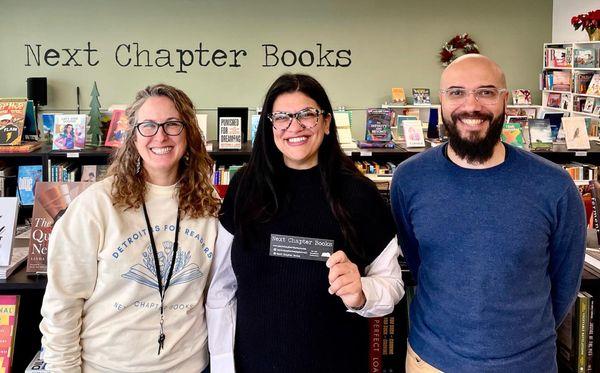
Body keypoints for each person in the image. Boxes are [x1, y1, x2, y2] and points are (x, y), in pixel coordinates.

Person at [391, 54, 586, 373]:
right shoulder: (409, 179)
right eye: (456, 92)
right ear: (440, 101)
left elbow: (564, 282)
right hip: (431, 360)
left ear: (506, 100)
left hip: (528, 364)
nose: (471, 105)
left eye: (486, 91)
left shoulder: (555, 186)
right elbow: (418, 259)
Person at [206, 73, 404, 373]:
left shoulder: (359, 193)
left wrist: (362, 292)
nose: (294, 127)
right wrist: (222, 364)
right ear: (270, 126)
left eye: (307, 115)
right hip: (252, 364)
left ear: (325, 123)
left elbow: (392, 285)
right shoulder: (245, 187)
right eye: (282, 117)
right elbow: (222, 287)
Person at [40, 84, 220, 372]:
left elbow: (221, 288)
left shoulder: (210, 205)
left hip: (190, 365)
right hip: (108, 366)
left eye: (172, 124)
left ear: (189, 133)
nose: (160, 135)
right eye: (147, 125)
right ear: (133, 137)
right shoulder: (96, 205)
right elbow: (62, 304)